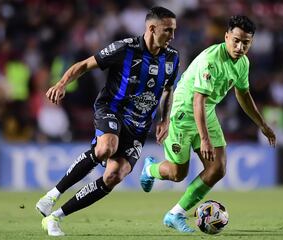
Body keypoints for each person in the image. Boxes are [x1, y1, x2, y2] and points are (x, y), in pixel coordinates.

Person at [35, 6, 179, 236]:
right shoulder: (125, 48)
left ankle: (55, 217)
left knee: (115, 175)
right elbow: (84, 65)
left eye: (174, 30)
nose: (172, 36)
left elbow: (168, 89)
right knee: (105, 147)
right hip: (111, 109)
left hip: (139, 125)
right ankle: (52, 194)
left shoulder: (172, 57)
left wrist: (164, 119)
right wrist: (62, 84)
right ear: (152, 28)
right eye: (168, 30)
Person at [140, 15, 276, 232]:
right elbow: (197, 100)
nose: (240, 47)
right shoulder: (211, 61)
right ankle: (151, 169)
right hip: (184, 113)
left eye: (246, 43)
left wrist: (262, 124)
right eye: (236, 40)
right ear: (226, 36)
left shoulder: (242, 62)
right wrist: (204, 139)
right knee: (177, 174)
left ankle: (175, 214)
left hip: (206, 113)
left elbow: (243, 93)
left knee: (217, 168)